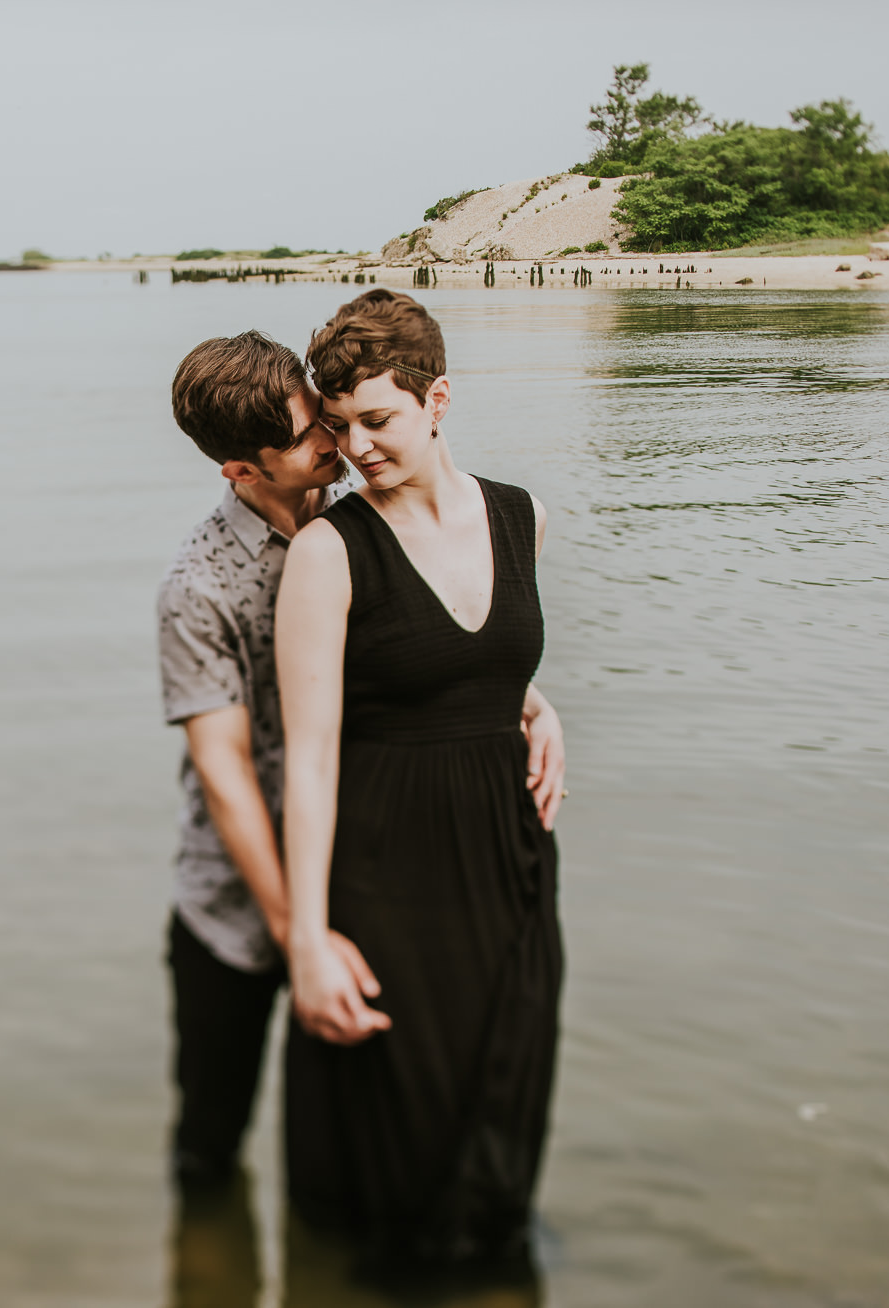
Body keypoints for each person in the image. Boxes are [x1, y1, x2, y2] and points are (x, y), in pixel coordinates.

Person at [156, 329, 568, 1202]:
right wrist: (298, 935)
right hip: (240, 900)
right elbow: (229, 783)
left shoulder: (354, 516)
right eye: (312, 438)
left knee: (369, 1110)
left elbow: (417, 648)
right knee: (211, 1141)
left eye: (330, 421)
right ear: (241, 469)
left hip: (361, 869)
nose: (336, 446)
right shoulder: (199, 587)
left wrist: (527, 702)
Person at [277, 290, 566, 1274]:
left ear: (437, 398)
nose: (357, 446)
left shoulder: (520, 517)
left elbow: (482, 661)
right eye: (339, 425)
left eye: (378, 419)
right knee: (403, 1120)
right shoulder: (328, 552)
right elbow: (309, 758)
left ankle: (489, 1265)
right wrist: (307, 940)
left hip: (510, 864)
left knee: (507, 1082)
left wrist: (535, 702)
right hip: (386, 868)